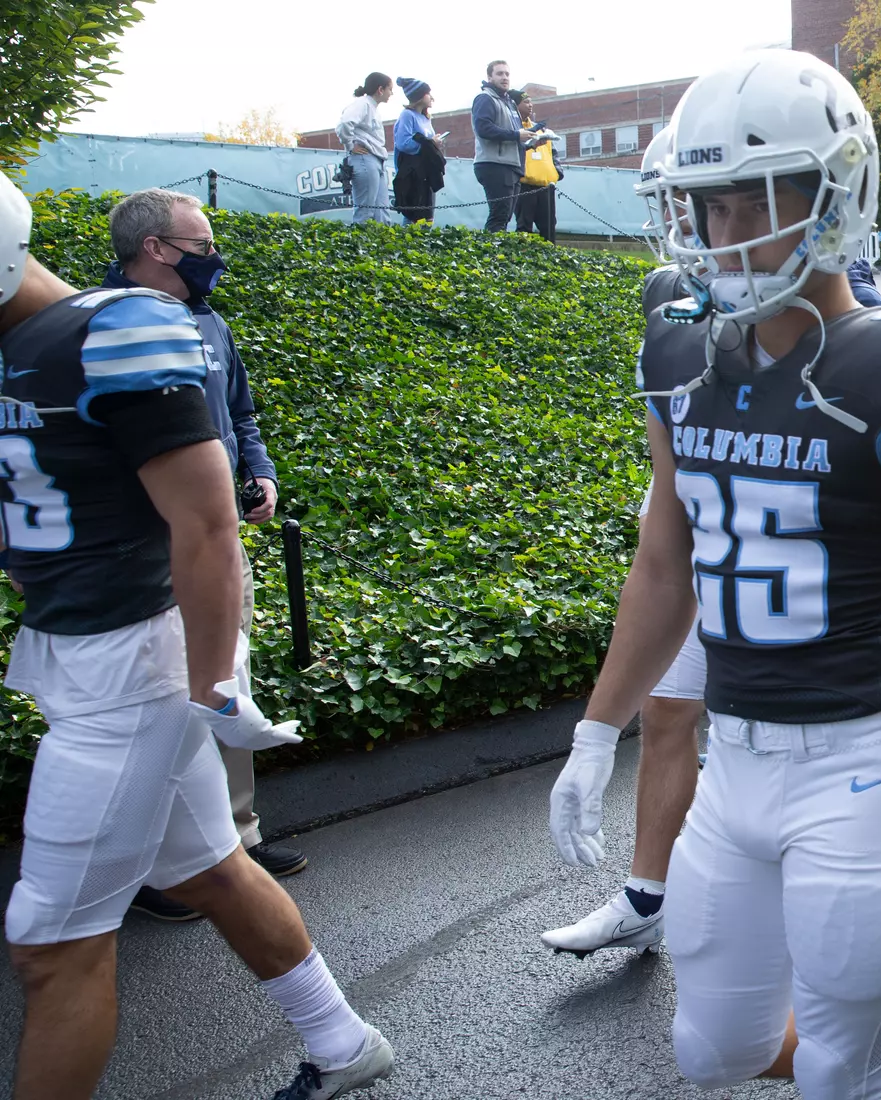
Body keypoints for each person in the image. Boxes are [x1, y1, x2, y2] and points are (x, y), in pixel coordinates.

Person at [550, 49, 881, 1100]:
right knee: (711, 1049)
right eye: (707, 207)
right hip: (737, 761)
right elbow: (666, 561)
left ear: (837, 190)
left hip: (865, 758)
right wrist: (595, 731)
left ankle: (870, 1070)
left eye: (754, 200)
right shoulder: (682, 361)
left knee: (833, 1078)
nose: (724, 233)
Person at [0, 175, 394, 1100]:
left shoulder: (121, 326)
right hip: (87, 646)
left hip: (131, 660)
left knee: (50, 949)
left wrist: (215, 682)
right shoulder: (22, 344)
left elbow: (209, 525)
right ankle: (344, 1045)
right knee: (210, 868)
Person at [98, 188, 308, 925]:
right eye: (202, 241)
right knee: (158, 701)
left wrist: (263, 474)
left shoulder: (209, 323)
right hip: (148, 551)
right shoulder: (101, 328)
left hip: (217, 541)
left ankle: (236, 842)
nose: (213, 254)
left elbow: (241, 414)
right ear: (155, 248)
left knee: (226, 681)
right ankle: (158, 866)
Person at [472, 61, 537, 233]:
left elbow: (513, 136)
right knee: (499, 216)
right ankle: (488, 256)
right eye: (499, 74)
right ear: (489, 77)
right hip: (494, 164)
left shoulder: (509, 102)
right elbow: (483, 129)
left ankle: (495, 254)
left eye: (507, 74)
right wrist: (517, 135)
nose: (504, 78)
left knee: (505, 217)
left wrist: (529, 143)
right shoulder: (485, 98)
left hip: (511, 165)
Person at [335, 72, 393, 225]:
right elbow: (345, 123)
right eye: (390, 89)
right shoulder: (363, 104)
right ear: (380, 89)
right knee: (365, 212)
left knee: (383, 213)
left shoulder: (371, 107)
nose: (391, 93)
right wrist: (349, 146)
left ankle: (382, 246)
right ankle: (358, 247)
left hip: (376, 159)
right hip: (364, 158)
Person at [391, 78, 445, 225]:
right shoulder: (407, 115)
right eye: (428, 93)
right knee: (414, 217)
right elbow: (403, 143)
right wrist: (429, 143)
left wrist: (434, 144)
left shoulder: (425, 118)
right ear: (419, 96)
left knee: (428, 217)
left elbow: (426, 143)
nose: (431, 97)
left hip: (427, 173)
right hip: (413, 174)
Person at [514, 94, 560, 243]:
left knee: (549, 226)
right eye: (526, 102)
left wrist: (557, 172)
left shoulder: (541, 130)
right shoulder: (514, 129)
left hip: (546, 186)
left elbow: (553, 153)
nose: (530, 105)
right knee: (524, 226)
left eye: (531, 102)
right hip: (524, 185)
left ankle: (551, 259)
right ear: (516, 105)